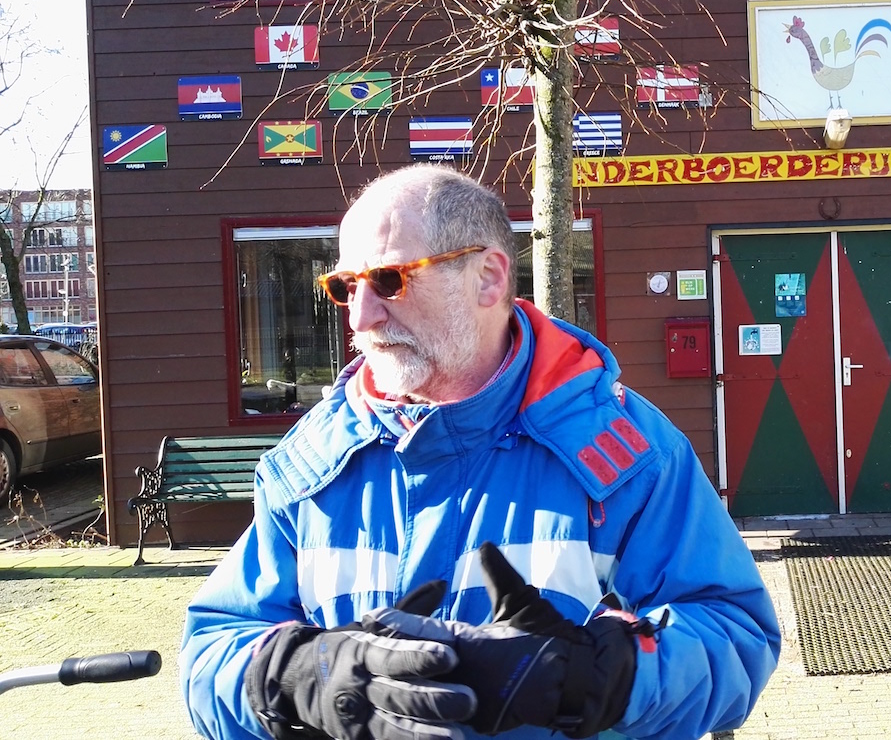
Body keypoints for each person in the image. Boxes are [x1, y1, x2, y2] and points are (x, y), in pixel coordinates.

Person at [181, 164, 780, 740]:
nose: (360, 316)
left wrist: (596, 675)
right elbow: (211, 653)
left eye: (389, 280)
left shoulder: (628, 453)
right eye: (344, 287)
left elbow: (736, 637)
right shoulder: (311, 459)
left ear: (489, 278)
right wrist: (298, 677)